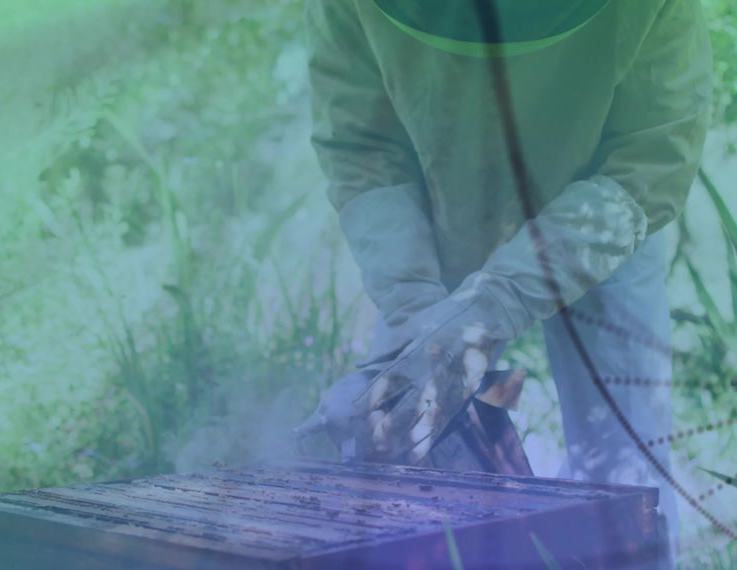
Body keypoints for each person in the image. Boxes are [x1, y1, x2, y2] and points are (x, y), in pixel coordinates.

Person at [300, 0, 712, 561]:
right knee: (390, 443)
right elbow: (364, 146)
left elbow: (649, 157)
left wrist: (488, 310)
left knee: (628, 464)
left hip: (602, 205)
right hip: (434, 208)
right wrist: (414, 315)